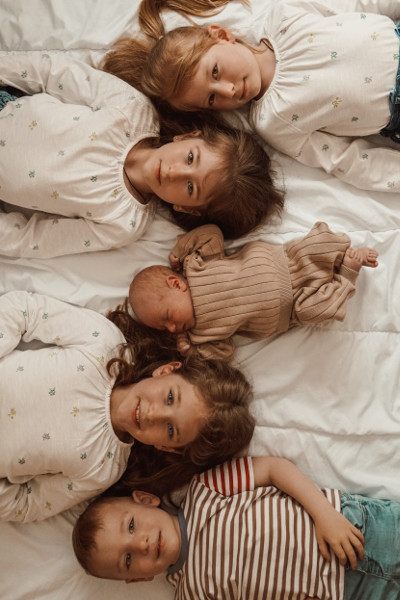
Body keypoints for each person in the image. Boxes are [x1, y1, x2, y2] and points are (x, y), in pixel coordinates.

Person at [0, 290, 254, 522]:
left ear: (167, 447)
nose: (153, 414)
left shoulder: (102, 470)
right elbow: (26, 311)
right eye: (169, 398)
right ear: (167, 370)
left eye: (170, 429)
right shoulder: (105, 344)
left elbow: (26, 503)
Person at [104, 0, 400, 194]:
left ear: (221, 35)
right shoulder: (274, 122)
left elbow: (360, 5)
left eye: (216, 72)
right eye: (211, 100)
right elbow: (343, 159)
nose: (228, 91)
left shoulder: (283, 17)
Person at [0, 55, 284, 257]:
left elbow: (32, 239)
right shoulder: (133, 109)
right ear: (188, 137)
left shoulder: (123, 224)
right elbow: (52, 72)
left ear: (188, 209)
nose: (175, 172)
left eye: (190, 187)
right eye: (190, 159)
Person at [72, 454, 400, 598]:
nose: (140, 543)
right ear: (138, 577)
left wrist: (324, 514)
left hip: (351, 525)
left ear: (145, 499)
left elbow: (273, 469)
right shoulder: (192, 595)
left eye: (131, 527)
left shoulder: (204, 490)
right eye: (128, 559)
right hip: (346, 594)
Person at [129, 222, 378, 360]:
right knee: (319, 311)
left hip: (286, 261)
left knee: (316, 244)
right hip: (292, 307)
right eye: (164, 329)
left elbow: (211, 234)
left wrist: (181, 250)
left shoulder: (195, 267)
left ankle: (343, 254)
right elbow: (225, 353)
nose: (172, 329)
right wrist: (190, 351)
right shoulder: (201, 335)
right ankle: (347, 272)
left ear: (176, 284)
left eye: (168, 318)